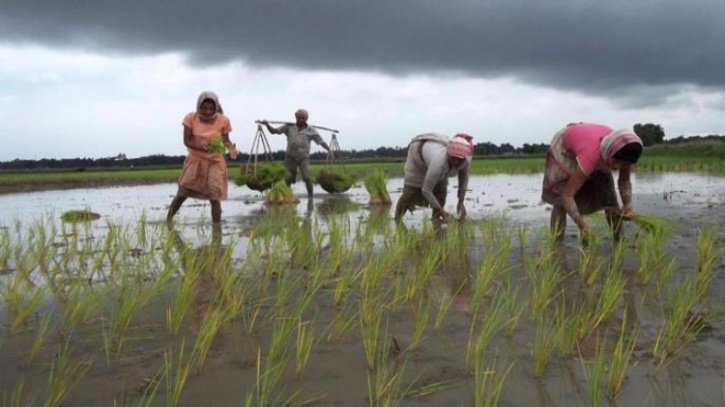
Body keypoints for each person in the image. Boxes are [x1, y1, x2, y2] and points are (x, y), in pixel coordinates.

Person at [542, 122, 643, 242]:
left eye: (623, 164)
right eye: (616, 162)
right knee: (559, 201)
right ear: (610, 153)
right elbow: (567, 195)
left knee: (610, 200)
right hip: (565, 148)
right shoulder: (591, 156)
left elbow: (624, 180)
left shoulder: (625, 151)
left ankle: (619, 240)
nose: (617, 167)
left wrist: (627, 204)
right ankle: (556, 243)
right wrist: (583, 227)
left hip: (594, 145)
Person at [167, 91, 238, 224]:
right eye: (204, 108)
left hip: (215, 161)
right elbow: (187, 141)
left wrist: (232, 149)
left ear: (216, 108)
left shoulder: (223, 120)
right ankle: (168, 220)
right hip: (196, 160)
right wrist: (203, 148)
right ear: (199, 106)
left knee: (214, 194)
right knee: (183, 192)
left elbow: (226, 140)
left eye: (211, 108)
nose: (207, 111)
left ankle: (217, 228)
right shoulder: (190, 118)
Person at [394, 133, 474, 222]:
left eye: (459, 159)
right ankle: (397, 219)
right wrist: (442, 212)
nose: (455, 161)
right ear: (448, 154)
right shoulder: (439, 162)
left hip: (434, 160)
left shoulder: (465, 162)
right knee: (409, 192)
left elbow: (463, 180)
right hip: (417, 155)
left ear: (464, 158)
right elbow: (426, 190)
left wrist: (461, 202)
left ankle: (435, 219)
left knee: (441, 192)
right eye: (453, 158)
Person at [260, 109, 333, 198]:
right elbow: (274, 131)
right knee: (288, 178)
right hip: (290, 157)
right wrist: (267, 124)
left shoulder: (311, 130)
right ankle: (288, 196)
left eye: (303, 118)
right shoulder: (289, 126)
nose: (301, 120)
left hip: (303, 157)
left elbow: (321, 141)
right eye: (299, 118)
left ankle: (310, 197)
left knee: (307, 177)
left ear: (307, 118)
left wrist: (329, 150)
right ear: (296, 117)